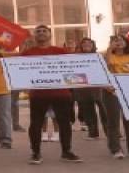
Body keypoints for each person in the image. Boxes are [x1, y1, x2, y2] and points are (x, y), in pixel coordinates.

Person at [22, 25, 81, 164]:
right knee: (35, 125)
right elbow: (19, 71)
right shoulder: (27, 53)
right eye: (38, 31)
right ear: (34, 36)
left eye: (44, 31)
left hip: (61, 93)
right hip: (38, 94)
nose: (41, 33)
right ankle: (36, 153)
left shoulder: (61, 51)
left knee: (64, 124)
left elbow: (72, 69)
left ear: (50, 34)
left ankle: (66, 152)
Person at [101, 34, 129, 159]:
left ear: (126, 43)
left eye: (121, 40)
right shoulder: (107, 55)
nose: (118, 42)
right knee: (113, 121)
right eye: (115, 40)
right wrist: (110, 49)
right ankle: (115, 149)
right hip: (111, 92)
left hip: (128, 92)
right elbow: (105, 67)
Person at [72, 38, 104, 142]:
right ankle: (93, 133)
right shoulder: (75, 57)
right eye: (84, 43)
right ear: (80, 46)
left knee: (105, 111)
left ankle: (113, 133)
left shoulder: (99, 56)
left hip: (98, 87)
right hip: (82, 88)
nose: (86, 45)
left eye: (89, 43)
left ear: (93, 45)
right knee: (88, 112)